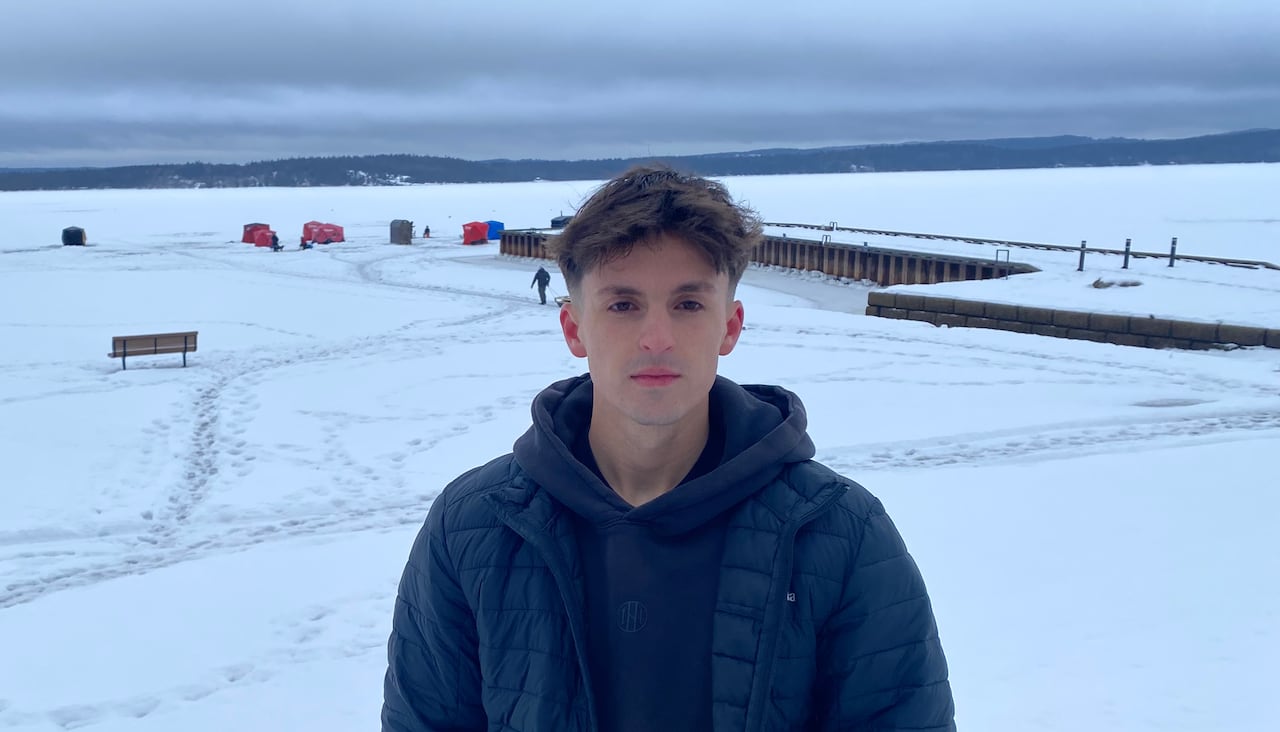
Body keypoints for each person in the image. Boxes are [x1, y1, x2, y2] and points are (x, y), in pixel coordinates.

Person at [382, 164, 955, 731]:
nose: (657, 339)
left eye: (687, 305)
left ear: (730, 326)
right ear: (574, 329)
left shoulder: (839, 533)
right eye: (623, 305)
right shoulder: (474, 527)